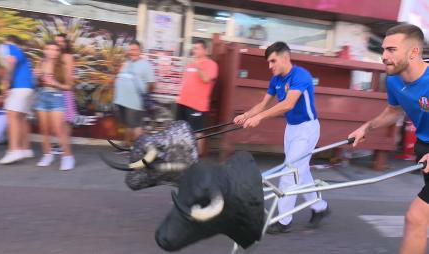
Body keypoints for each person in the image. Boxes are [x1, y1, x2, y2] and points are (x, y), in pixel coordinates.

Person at [348, 24, 429, 254]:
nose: (384, 56)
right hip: (425, 148)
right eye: (383, 50)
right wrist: (367, 127)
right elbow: (394, 111)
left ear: (414, 52)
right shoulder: (394, 80)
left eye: (391, 50)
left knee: (416, 217)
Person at [233, 41, 329, 234]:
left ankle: (284, 221)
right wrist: (246, 115)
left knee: (290, 172)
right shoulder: (276, 79)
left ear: (285, 57)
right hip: (291, 129)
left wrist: (259, 118)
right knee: (300, 172)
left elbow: (288, 104)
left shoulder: (301, 76)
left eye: (273, 61)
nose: (270, 66)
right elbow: (263, 104)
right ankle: (320, 208)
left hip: (307, 130)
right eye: (268, 62)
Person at [33, 41, 75, 170]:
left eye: (55, 49)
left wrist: (55, 83)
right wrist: (36, 76)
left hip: (57, 97)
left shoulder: (63, 65)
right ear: (45, 50)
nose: (52, 52)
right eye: (49, 49)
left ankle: (67, 157)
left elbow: (69, 86)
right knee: (44, 130)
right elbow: (35, 82)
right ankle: (47, 154)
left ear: (58, 52)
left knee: (58, 130)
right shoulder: (41, 63)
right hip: (42, 96)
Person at [176, 40, 218, 155]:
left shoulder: (211, 64)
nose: (194, 50)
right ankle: (183, 155)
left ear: (205, 50)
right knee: (181, 129)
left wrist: (198, 66)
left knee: (198, 133)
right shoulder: (190, 64)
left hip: (197, 105)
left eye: (197, 48)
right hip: (183, 102)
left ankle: (197, 158)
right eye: (194, 48)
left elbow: (206, 79)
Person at [0, 35, 35, 164]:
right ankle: (26, 149)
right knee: (21, 118)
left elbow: (11, 61)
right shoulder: (22, 53)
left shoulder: (8, 47)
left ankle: (14, 150)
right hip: (28, 88)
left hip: (18, 87)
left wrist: (6, 82)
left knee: (12, 116)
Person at [113, 40, 155, 146]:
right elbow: (119, 77)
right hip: (122, 101)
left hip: (135, 103)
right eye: (130, 50)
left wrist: (143, 94)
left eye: (135, 50)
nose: (132, 52)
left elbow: (152, 84)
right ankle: (126, 144)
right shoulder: (126, 63)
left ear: (140, 51)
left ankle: (139, 149)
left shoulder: (146, 65)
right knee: (128, 124)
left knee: (136, 126)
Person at [51, 33, 77, 154]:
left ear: (66, 44)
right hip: (56, 90)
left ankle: (62, 145)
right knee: (60, 120)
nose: (59, 44)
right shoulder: (55, 56)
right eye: (57, 41)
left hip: (65, 90)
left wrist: (65, 87)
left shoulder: (67, 56)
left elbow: (69, 76)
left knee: (65, 120)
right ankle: (61, 143)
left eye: (62, 41)